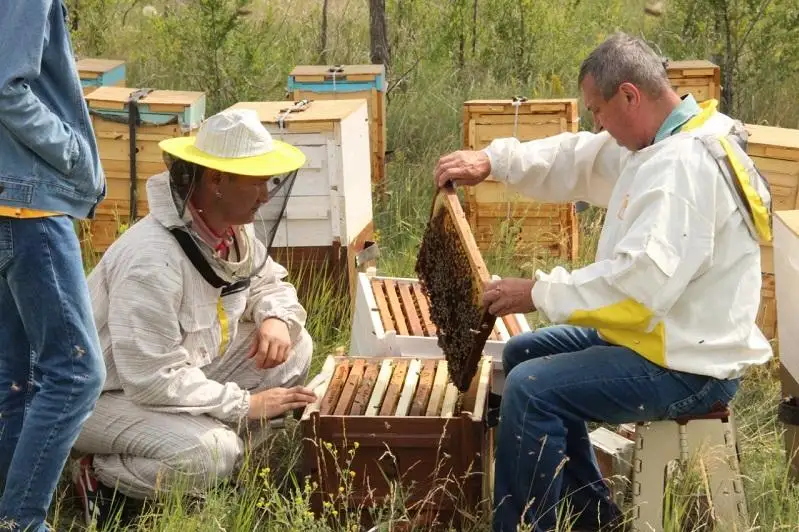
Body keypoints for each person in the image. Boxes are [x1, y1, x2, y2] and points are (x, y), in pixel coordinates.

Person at [434, 32, 773, 532]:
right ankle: (592, 515)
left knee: (531, 389)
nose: (597, 124)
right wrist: (494, 161)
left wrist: (538, 292)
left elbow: (638, 288)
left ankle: (525, 525)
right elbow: (580, 156)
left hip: (688, 365)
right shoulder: (666, 137)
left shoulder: (684, 167)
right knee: (521, 354)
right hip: (663, 335)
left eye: (598, 110)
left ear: (629, 95)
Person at [70, 108, 318, 527]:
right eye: (256, 181)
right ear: (216, 180)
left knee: (295, 347)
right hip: (100, 397)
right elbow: (151, 378)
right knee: (211, 453)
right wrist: (246, 405)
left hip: (172, 375)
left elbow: (267, 282)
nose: (265, 195)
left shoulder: (231, 230)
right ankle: (100, 473)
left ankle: (209, 454)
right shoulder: (152, 261)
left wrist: (275, 318)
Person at [0, 2, 107, 531]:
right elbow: (6, 88)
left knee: (18, 375)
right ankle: (21, 521)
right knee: (77, 373)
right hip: (30, 206)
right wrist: (75, 155)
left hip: (11, 201)